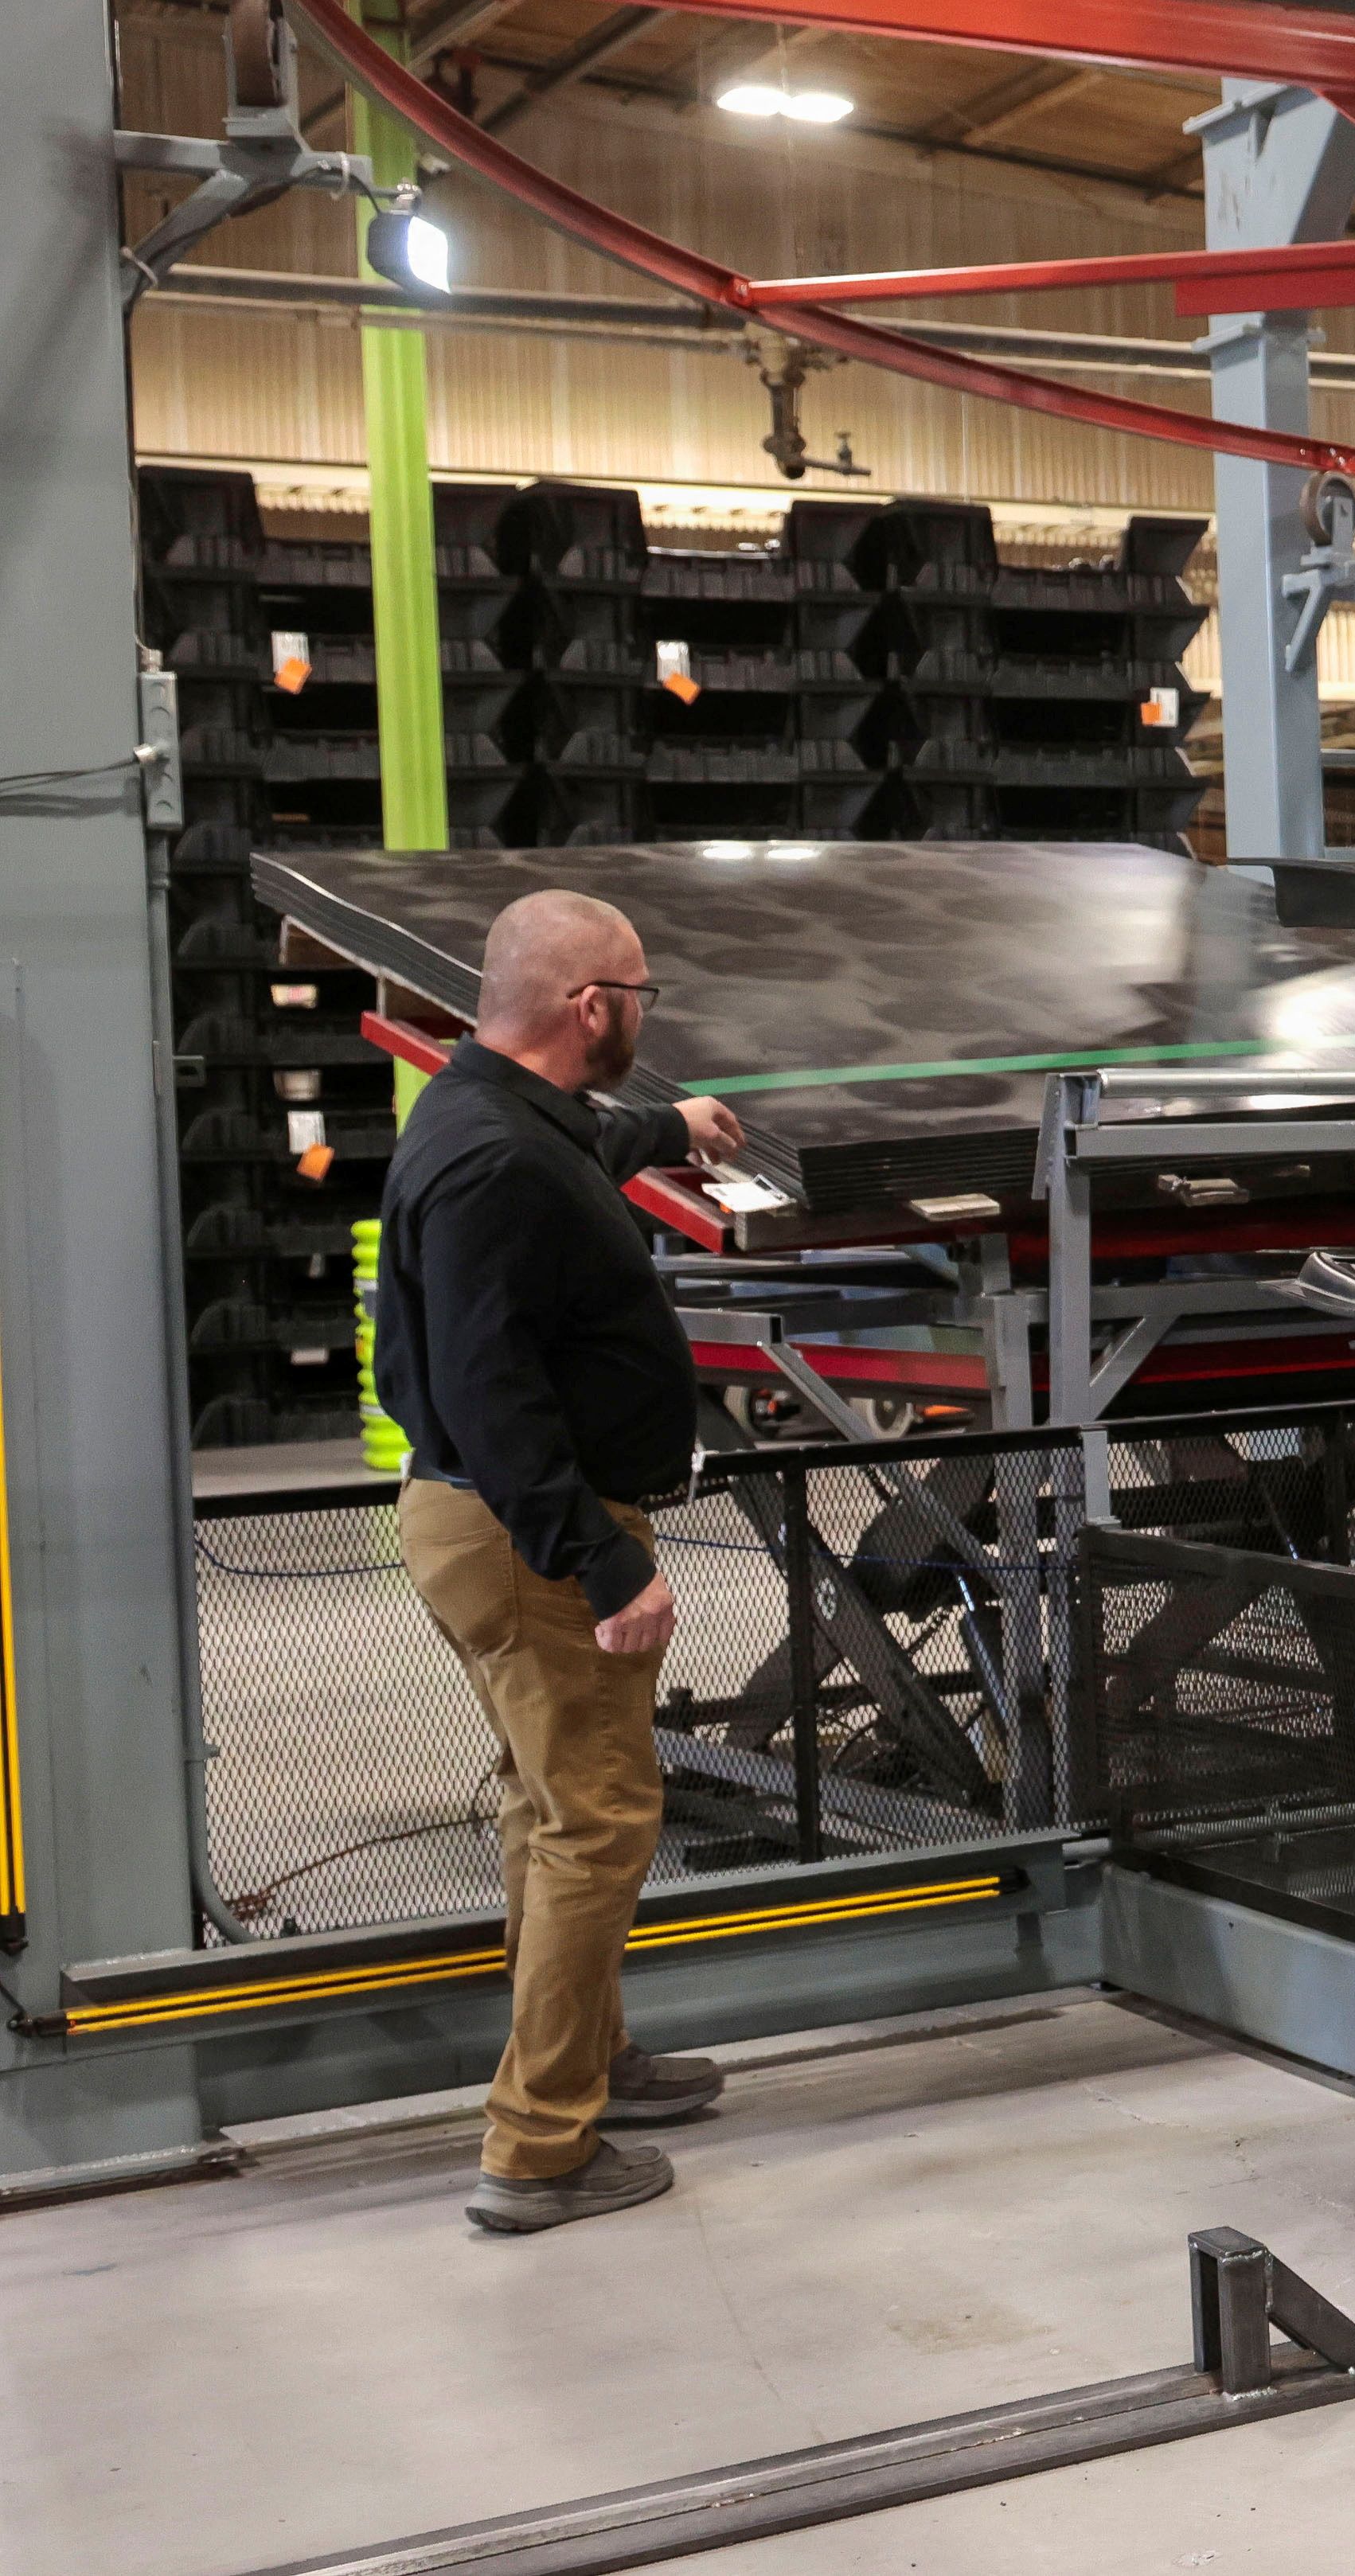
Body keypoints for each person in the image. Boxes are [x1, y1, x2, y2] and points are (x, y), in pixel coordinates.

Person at [376, 889, 748, 2234]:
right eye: (640, 995)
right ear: (591, 1005)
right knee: (596, 1823)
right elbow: (490, 1390)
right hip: (527, 1529)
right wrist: (600, 1561)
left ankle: (590, 2058)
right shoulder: (497, 1164)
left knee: (549, 1808)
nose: (646, 1016)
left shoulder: (486, 1107)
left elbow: (578, 1134)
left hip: (499, 1520)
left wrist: (671, 1127)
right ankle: (539, 2146)